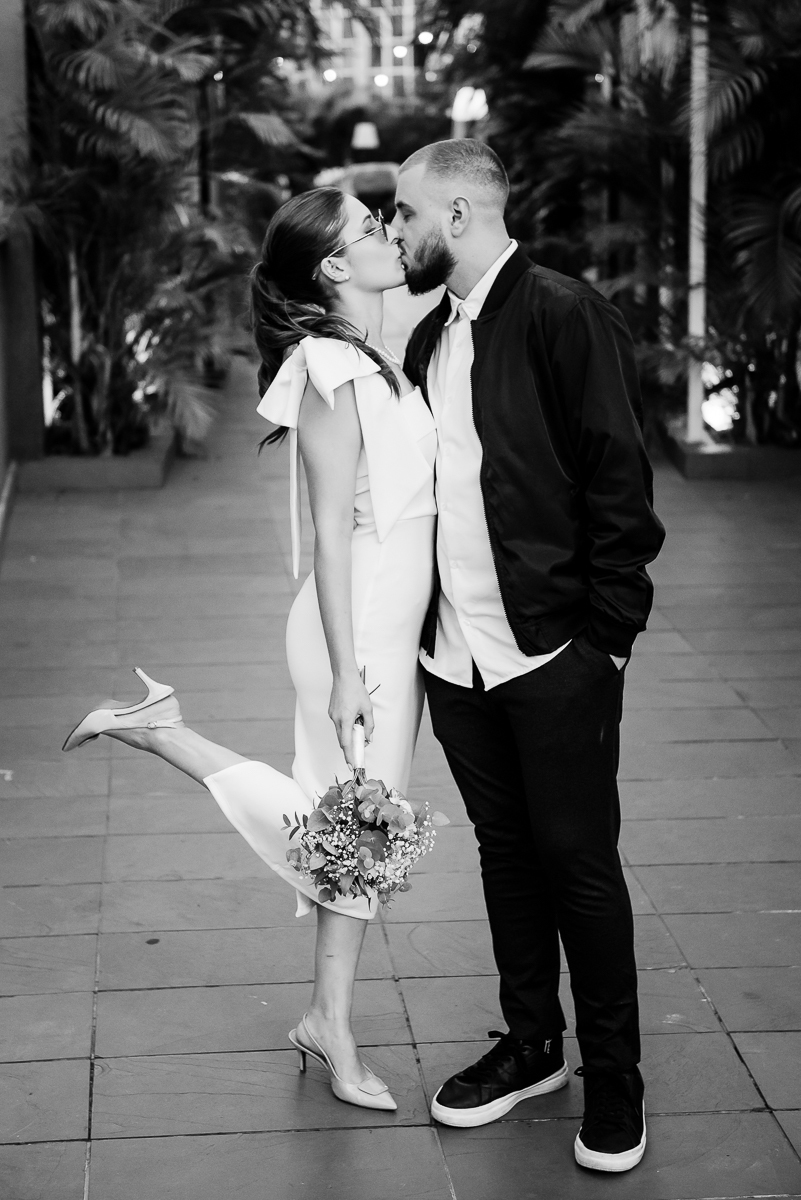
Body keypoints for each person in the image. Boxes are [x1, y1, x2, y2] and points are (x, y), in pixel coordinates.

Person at [63, 187, 437, 1114]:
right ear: (334, 266)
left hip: (385, 621)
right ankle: (160, 732)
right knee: (352, 827)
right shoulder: (331, 367)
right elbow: (329, 530)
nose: (388, 234)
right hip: (357, 625)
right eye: (369, 228)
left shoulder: (367, 353)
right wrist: (348, 671)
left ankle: (325, 1018)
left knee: (358, 832)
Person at [394, 140, 665, 1173]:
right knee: (505, 854)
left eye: (406, 212)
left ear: (459, 216)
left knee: (579, 865)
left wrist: (606, 641)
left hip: (553, 655)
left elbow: (618, 478)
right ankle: (532, 1045)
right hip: (456, 664)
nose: (397, 230)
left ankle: (617, 1082)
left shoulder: (561, 312)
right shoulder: (432, 336)